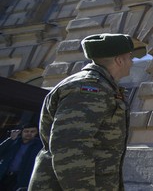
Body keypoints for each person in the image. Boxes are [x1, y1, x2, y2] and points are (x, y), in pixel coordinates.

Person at [29, 33, 146, 191]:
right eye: (130, 57)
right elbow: (71, 147)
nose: (132, 62)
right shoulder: (90, 88)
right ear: (120, 60)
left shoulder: (101, 86)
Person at [0, 122, 42, 191]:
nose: (29, 133)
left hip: (19, 179)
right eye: (26, 131)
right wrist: (10, 139)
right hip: (3, 174)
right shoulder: (14, 142)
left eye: (32, 132)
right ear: (21, 132)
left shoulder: (38, 146)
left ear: (36, 133)